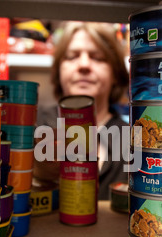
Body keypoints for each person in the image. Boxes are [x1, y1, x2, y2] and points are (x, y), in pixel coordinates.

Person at [35, 21, 129, 200]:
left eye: (98, 57)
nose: (84, 65)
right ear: (58, 70)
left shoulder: (133, 139)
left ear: (116, 73)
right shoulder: (33, 123)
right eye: (72, 56)